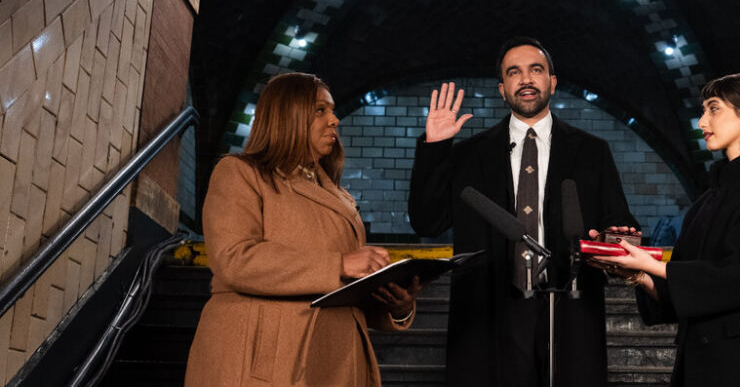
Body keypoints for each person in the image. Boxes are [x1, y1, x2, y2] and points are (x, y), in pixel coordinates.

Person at [408, 37, 640, 386]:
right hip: (488, 315)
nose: (526, 79)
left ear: (552, 81)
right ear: (503, 89)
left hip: (569, 307)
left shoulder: (593, 152)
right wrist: (435, 148)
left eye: (536, 70)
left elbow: (616, 221)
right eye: (514, 72)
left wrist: (618, 237)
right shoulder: (470, 155)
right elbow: (427, 220)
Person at [185, 72, 421, 387]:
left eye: (333, 110)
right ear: (287, 115)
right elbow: (234, 259)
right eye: (320, 110)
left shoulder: (342, 198)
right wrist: (339, 263)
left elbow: (346, 293)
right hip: (267, 359)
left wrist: (397, 305)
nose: (335, 120)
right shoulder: (239, 173)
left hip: (339, 359)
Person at [591, 73, 740, 386]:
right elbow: (682, 292)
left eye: (713, 109)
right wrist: (634, 273)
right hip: (699, 367)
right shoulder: (704, 203)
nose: (702, 122)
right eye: (703, 111)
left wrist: (652, 264)